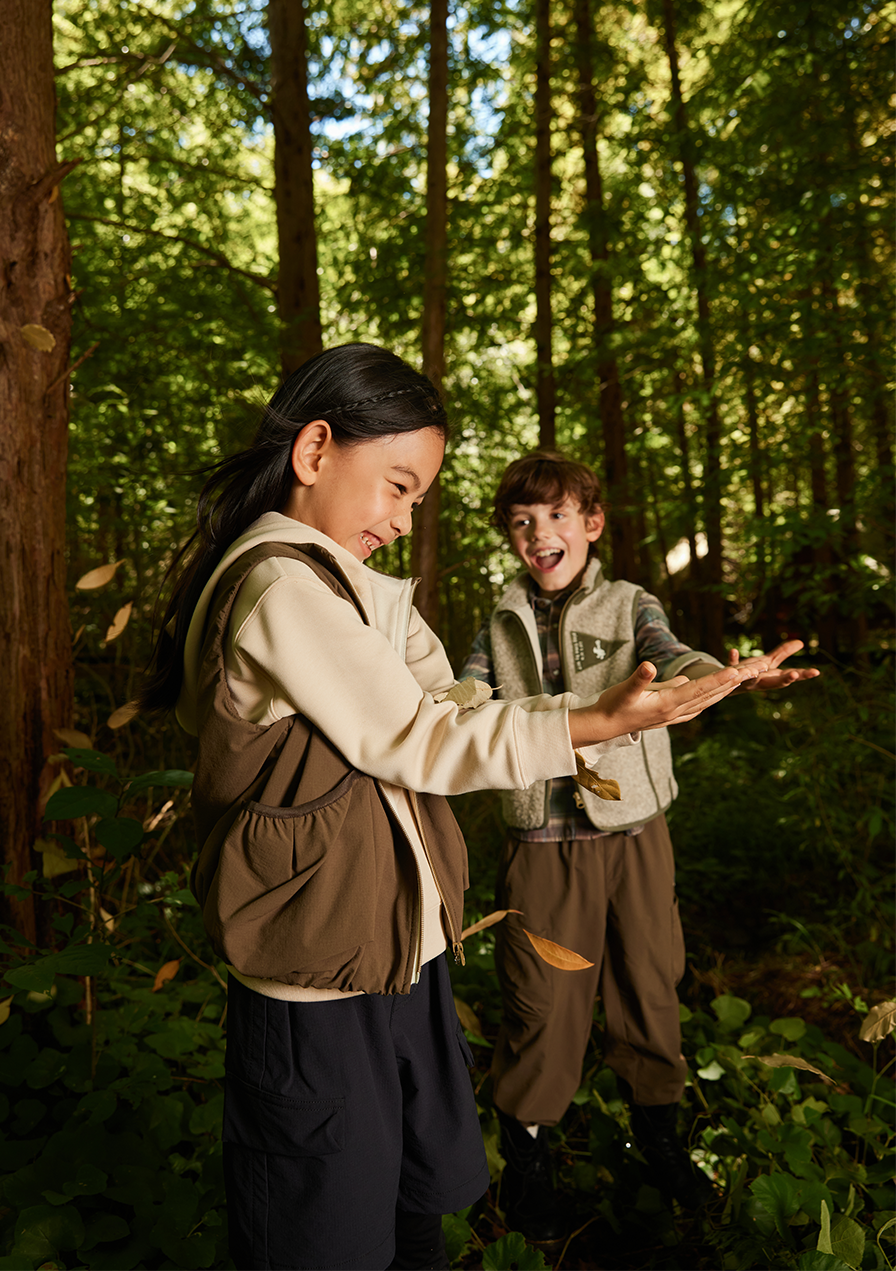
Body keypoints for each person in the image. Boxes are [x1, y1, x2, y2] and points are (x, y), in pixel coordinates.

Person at [140, 349, 764, 1271]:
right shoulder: (279, 585)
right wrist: (597, 719)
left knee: (414, 1211)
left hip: (402, 956)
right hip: (318, 983)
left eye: (417, 499)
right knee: (328, 1237)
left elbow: (458, 709)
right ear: (316, 450)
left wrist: (635, 706)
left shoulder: (357, 589)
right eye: (396, 486)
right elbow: (420, 738)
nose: (401, 519)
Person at [460, 449, 819, 1239]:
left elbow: (676, 654)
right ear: (510, 538)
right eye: (522, 522)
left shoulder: (629, 605)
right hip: (543, 843)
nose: (539, 533)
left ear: (590, 524)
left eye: (557, 516)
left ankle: (659, 1137)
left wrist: (733, 678)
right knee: (542, 1002)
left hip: (635, 833)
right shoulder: (498, 620)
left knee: (651, 981)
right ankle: (527, 1160)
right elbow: (467, 696)